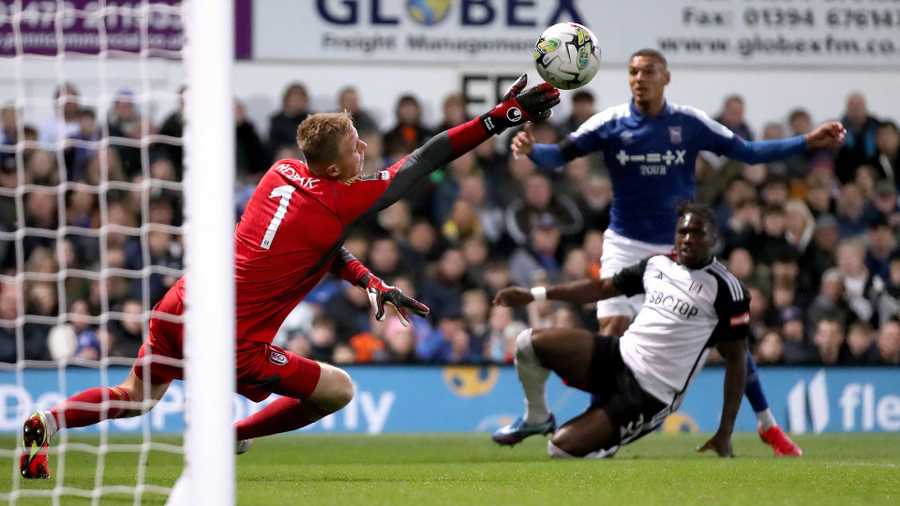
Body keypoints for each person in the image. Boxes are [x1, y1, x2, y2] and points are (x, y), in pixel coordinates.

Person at [19, 76, 560, 479]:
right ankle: (227, 438)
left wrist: (368, 280)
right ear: (331, 168)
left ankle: (47, 422)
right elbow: (422, 162)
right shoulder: (340, 200)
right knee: (338, 390)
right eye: (355, 147)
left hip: (181, 304)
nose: (365, 151)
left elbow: (320, 247)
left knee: (135, 396)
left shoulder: (281, 172)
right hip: (231, 338)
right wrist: (498, 117)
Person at [510, 48, 845, 457]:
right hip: (625, 242)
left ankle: (767, 425)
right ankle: (606, 426)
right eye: (633, 71)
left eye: (648, 71)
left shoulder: (688, 123)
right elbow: (558, 155)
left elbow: (749, 152)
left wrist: (807, 142)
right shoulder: (610, 123)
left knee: (728, 337)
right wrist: (531, 150)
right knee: (612, 329)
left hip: (678, 247)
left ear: (666, 78)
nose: (639, 78)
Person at [491, 203, 749, 458]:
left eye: (697, 233)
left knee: (560, 449)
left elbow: (737, 360)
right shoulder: (657, 265)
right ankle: (537, 417)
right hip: (619, 356)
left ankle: (606, 441)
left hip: (650, 393)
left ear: (713, 238)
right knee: (528, 342)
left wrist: (725, 432)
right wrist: (534, 294)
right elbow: (602, 288)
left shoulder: (727, 290)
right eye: (683, 232)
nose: (688, 239)